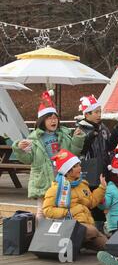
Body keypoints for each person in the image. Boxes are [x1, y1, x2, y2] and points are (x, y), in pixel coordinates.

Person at [12, 91, 85, 223]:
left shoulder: (64, 134)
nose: (53, 121)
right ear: (42, 120)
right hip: (43, 179)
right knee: (42, 211)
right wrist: (19, 148)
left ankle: (57, 237)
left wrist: (77, 139)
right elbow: (27, 160)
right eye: (49, 118)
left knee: (60, 209)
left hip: (62, 178)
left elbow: (72, 154)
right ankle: (39, 238)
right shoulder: (34, 138)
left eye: (55, 118)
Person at [43, 149, 108, 251]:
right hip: (68, 226)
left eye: (79, 165)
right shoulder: (55, 189)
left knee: (108, 246)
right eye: (76, 166)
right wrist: (67, 212)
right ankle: (75, 244)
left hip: (86, 227)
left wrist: (102, 188)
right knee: (92, 231)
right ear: (68, 170)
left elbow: (91, 202)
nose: (80, 168)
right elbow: (47, 210)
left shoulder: (82, 184)